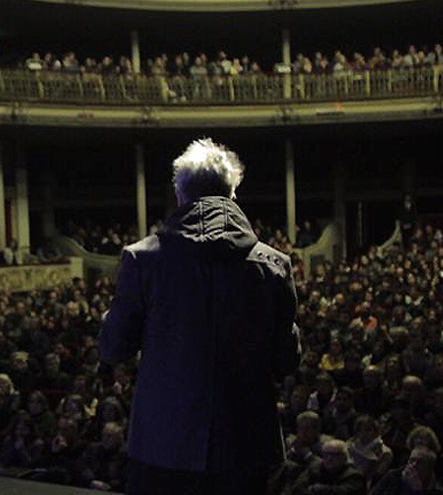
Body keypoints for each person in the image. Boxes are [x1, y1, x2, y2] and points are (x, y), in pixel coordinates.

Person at [99, 139, 300, 494]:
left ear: (179, 193)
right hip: (245, 444)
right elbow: (286, 361)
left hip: (164, 444)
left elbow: (114, 348)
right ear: (232, 193)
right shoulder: (274, 264)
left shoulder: (141, 259)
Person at [282, 439, 366, 495]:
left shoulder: (354, 475)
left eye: (334, 455)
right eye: (326, 454)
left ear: (344, 457)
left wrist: (318, 489)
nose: (329, 458)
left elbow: (343, 492)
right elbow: (297, 487)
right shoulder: (314, 468)